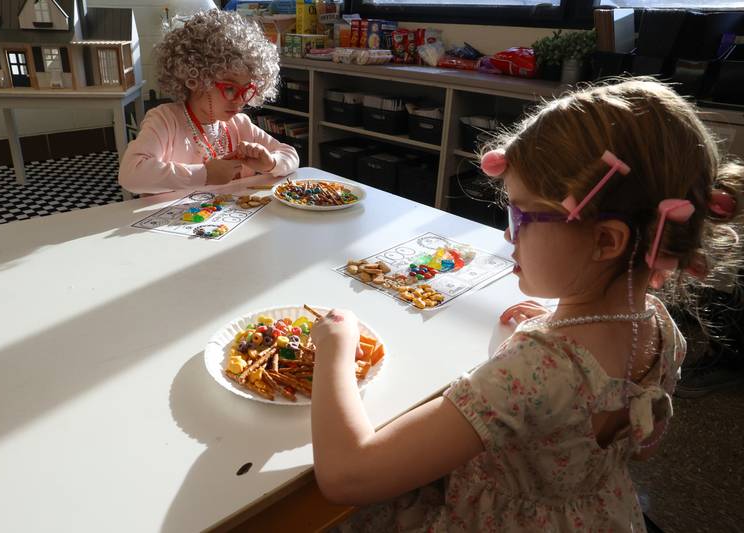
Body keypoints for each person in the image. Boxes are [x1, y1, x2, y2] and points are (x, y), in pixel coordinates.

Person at [310, 79, 743, 531]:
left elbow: (348, 477)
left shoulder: (532, 369)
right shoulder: (660, 327)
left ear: (606, 240)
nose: (507, 233)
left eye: (521, 215)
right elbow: (641, 445)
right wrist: (565, 326)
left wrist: (337, 348)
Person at [118, 10, 299, 195]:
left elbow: (291, 155)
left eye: (246, 90)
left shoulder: (240, 125)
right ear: (194, 79)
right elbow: (130, 174)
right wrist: (204, 175)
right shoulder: (165, 120)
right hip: (172, 221)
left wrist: (271, 163)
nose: (240, 101)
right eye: (229, 88)